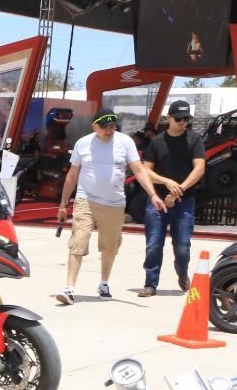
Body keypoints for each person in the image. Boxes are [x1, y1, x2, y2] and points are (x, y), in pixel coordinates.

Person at [54, 108, 162, 303]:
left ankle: (104, 283)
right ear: (94, 126)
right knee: (78, 241)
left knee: (110, 246)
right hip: (86, 200)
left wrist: (153, 194)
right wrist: (63, 205)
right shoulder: (83, 143)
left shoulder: (125, 142)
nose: (110, 130)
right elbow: (72, 175)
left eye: (113, 126)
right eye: (106, 127)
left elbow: (139, 170)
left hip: (114, 203)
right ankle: (69, 288)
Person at [138, 100, 206, 296]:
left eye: (186, 118)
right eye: (178, 118)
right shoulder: (157, 142)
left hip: (184, 200)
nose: (183, 122)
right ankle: (150, 284)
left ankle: (182, 273)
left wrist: (178, 190)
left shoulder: (194, 139)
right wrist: (166, 182)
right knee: (154, 244)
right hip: (158, 201)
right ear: (168, 118)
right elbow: (145, 170)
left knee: (182, 246)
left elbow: (199, 168)